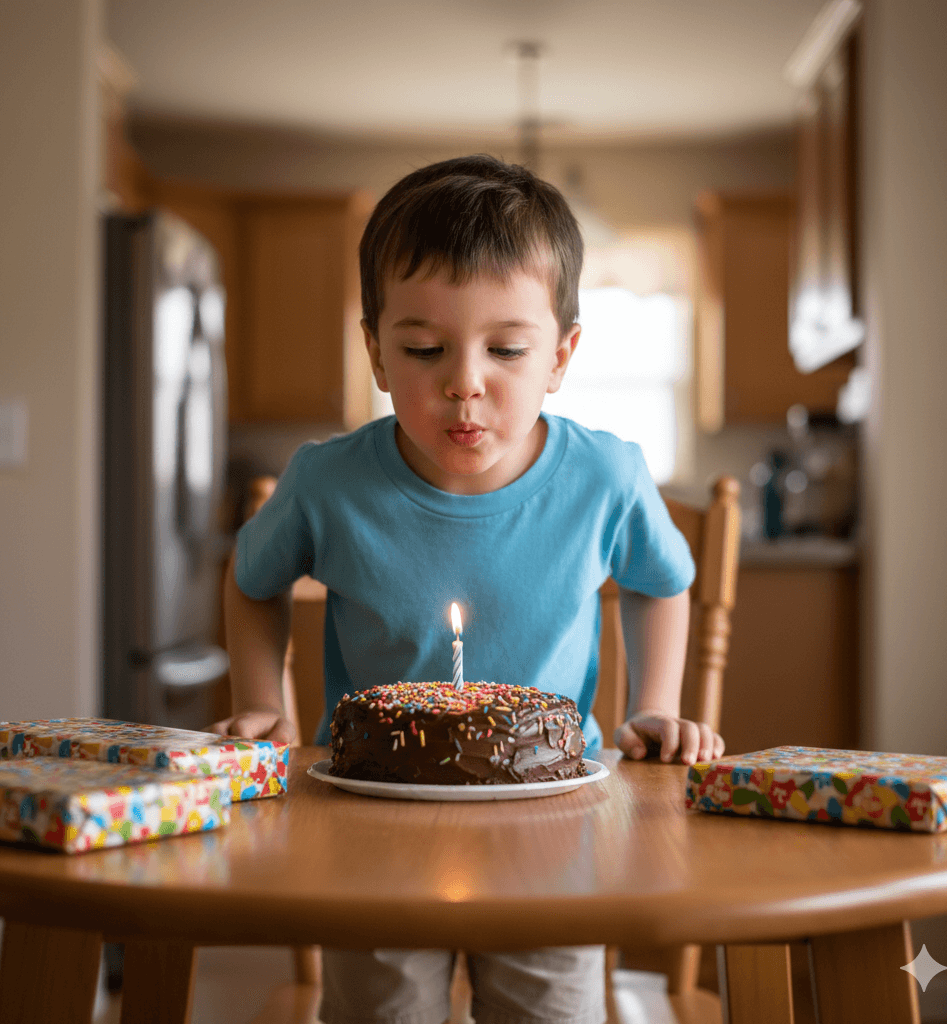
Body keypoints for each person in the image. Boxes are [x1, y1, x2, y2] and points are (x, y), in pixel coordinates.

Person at [213, 154, 725, 1024]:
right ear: (375, 349)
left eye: (508, 348)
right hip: (371, 828)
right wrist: (263, 700)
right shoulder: (326, 483)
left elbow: (663, 580)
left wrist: (656, 702)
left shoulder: (607, 476)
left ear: (561, 356)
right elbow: (253, 582)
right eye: (423, 347)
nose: (464, 380)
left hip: (555, 830)